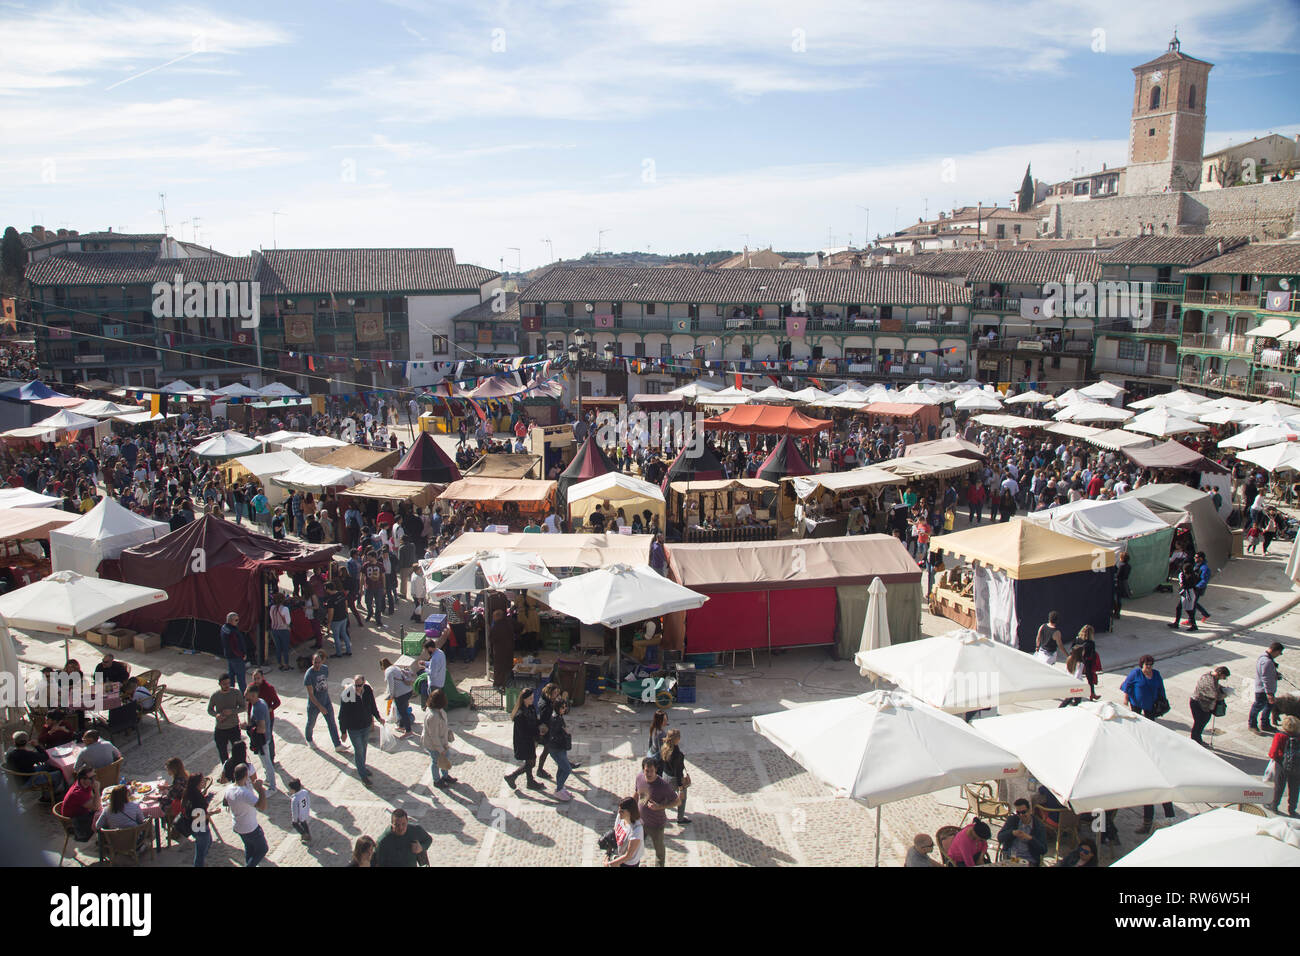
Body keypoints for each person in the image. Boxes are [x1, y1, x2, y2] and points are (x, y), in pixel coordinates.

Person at [1121, 655, 1175, 833]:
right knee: (1156, 794)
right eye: (1147, 665)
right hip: (1138, 705)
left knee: (1156, 794)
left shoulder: (1156, 675)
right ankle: (1156, 821)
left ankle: (1165, 819)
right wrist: (1126, 699)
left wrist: (1163, 701)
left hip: (1150, 707)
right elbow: (1127, 686)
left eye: (1151, 665)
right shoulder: (1136, 674)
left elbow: (1161, 689)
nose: (1149, 667)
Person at [338, 673, 383, 787]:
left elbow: (372, 705)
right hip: (354, 728)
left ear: (364, 683)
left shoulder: (367, 690)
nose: (358, 687)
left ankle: (362, 767)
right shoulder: (347, 694)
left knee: (363, 749)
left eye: (360, 685)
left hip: (366, 725)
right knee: (359, 750)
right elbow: (342, 715)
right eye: (356, 685)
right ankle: (363, 776)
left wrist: (378, 717)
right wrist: (343, 732)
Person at [635, 756, 681, 867]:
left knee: (659, 852)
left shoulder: (663, 786)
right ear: (643, 769)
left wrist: (659, 807)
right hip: (641, 822)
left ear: (656, 770)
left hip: (656, 825)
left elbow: (677, 801)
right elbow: (637, 794)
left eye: (651, 771)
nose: (649, 773)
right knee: (635, 848)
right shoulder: (639, 778)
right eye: (647, 771)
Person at [223, 763, 269, 867]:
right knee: (263, 849)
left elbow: (225, 802)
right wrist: (260, 790)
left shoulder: (229, 788)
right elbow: (262, 806)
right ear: (246, 775)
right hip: (250, 827)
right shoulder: (244, 793)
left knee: (249, 848)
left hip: (238, 825)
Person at [304, 652, 348, 753]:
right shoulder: (308, 675)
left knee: (332, 722)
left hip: (326, 700)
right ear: (312, 662)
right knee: (311, 723)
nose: (317, 665)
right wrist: (320, 707)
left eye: (319, 662)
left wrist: (325, 704)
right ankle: (309, 739)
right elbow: (311, 694)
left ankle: (337, 745)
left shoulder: (325, 669)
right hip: (314, 704)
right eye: (315, 662)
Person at [4, 731, 65, 801]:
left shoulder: (9, 752)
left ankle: (47, 790)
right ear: (26, 742)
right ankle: (49, 796)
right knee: (59, 773)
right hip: (27, 780)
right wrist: (37, 746)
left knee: (48, 766)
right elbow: (45, 757)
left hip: (16, 779)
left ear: (14, 742)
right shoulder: (28, 755)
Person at [505, 687, 542, 790]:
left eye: (532, 698)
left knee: (529, 762)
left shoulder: (531, 708)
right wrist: (534, 738)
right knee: (531, 763)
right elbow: (523, 732)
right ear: (524, 699)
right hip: (524, 742)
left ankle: (530, 782)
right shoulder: (520, 715)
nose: (532, 700)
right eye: (530, 698)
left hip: (530, 739)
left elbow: (535, 721)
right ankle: (512, 776)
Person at [95, 784, 149, 853]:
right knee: (147, 827)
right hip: (134, 839)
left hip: (115, 841)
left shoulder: (107, 810)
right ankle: (140, 848)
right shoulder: (134, 806)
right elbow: (141, 821)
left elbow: (98, 826)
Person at [178, 772, 216, 867]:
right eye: (202, 781)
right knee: (200, 852)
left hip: (195, 826)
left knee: (208, 842)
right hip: (199, 827)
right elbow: (198, 817)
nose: (204, 782)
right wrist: (213, 812)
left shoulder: (188, 793)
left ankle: (201, 862)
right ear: (197, 784)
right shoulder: (197, 798)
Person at [422, 688, 457, 792]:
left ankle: (445, 776)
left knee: (445, 758)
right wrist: (440, 749)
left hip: (442, 742)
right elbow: (434, 736)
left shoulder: (439, 711)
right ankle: (437, 780)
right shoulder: (433, 716)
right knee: (436, 761)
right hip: (435, 745)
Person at [243, 686, 277, 792]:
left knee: (267, 763)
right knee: (264, 762)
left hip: (262, 740)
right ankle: (268, 779)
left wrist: (247, 727)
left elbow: (261, 729)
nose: (245, 695)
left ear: (253, 695)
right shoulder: (260, 702)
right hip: (262, 739)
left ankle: (272, 787)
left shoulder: (258, 708)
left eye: (247, 693)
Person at [997, 799, 1047, 865]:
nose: (1021, 815)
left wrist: (1030, 839)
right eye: (1018, 813)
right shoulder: (1013, 820)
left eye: (1023, 812)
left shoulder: (1038, 826)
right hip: (1011, 858)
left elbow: (1043, 850)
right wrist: (1012, 833)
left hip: (1028, 860)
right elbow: (1000, 837)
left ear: (1030, 811)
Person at [208, 674, 244, 763]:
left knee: (238, 751)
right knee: (223, 753)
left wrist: (232, 711)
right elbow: (210, 709)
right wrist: (217, 715)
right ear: (220, 684)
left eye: (228, 683)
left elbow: (243, 707)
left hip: (234, 727)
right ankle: (226, 771)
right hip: (221, 728)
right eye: (224, 684)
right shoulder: (215, 695)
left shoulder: (236, 693)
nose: (227, 686)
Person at [1189, 665, 1230, 746]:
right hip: (1198, 704)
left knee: (1202, 722)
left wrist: (1223, 689)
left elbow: (1216, 687)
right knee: (1199, 723)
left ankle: (1197, 739)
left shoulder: (1212, 677)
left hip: (1205, 705)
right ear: (1219, 673)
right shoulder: (1209, 681)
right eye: (1223, 676)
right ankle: (1195, 741)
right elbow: (1215, 695)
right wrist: (1226, 694)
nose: (1224, 679)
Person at [1268, 715, 1300, 817]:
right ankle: (1292, 810)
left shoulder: (1280, 736)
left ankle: (1274, 805)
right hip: (1297, 766)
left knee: (1279, 786)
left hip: (1282, 764)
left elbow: (1273, 753)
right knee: (1294, 788)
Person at [1250, 642, 1284, 735]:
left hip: (1266, 689)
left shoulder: (1264, 657)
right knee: (1257, 707)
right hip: (1263, 690)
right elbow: (1265, 678)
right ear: (1276, 651)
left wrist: (1275, 674)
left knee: (1269, 707)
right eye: (1279, 653)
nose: (1278, 655)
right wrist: (1269, 693)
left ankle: (1265, 724)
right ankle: (1252, 725)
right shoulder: (1267, 661)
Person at [659, 729, 692, 825]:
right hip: (674, 779)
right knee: (682, 798)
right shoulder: (677, 754)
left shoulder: (664, 748)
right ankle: (680, 818)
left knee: (664, 798)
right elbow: (678, 773)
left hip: (665, 776)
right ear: (676, 739)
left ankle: (660, 815)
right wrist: (681, 788)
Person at [546, 697, 575, 802]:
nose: (564, 709)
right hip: (556, 748)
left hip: (559, 748)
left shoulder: (558, 717)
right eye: (563, 707)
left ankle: (560, 788)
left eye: (565, 707)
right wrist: (565, 734)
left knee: (561, 768)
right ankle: (559, 789)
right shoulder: (556, 719)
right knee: (567, 769)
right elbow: (554, 735)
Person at [248, 669, 281, 762]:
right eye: (254, 678)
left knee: (268, 737)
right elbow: (249, 704)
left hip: (268, 718)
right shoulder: (251, 688)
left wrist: (269, 709)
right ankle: (262, 755)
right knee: (257, 736)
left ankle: (271, 758)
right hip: (256, 718)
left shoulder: (269, 688)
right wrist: (249, 719)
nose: (256, 681)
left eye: (258, 678)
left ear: (262, 678)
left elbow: (277, 702)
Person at [605, 797, 645, 867]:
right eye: (619, 810)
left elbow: (628, 855)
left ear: (630, 812)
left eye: (622, 811)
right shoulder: (620, 818)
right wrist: (607, 854)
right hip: (619, 855)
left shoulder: (637, 829)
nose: (619, 812)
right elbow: (614, 834)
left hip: (629, 863)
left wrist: (610, 864)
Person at [382, 657, 416, 736]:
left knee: (403, 713)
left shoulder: (388, 671)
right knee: (403, 709)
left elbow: (391, 685)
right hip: (408, 691)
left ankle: (408, 731)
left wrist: (391, 696)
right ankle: (401, 726)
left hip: (401, 694)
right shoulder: (395, 667)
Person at [220, 612, 249, 692]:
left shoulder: (224, 628)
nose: (238, 622)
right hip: (236, 657)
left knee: (231, 676)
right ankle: (244, 696)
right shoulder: (232, 632)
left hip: (229, 656)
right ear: (230, 621)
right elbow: (235, 646)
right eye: (236, 620)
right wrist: (242, 655)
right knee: (241, 678)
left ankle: (230, 693)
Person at [1168, 561, 1200, 632]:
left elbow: (1185, 585)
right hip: (1187, 593)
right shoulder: (1194, 575)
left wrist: (1182, 581)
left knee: (1188, 610)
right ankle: (1177, 623)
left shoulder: (1190, 577)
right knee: (1179, 608)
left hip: (1188, 593)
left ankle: (1193, 625)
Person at [323, 581, 353, 657]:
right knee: (344, 634)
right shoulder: (342, 594)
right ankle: (349, 651)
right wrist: (346, 614)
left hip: (336, 620)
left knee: (336, 637)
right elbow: (346, 604)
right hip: (344, 617)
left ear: (328, 589)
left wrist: (329, 623)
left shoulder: (330, 600)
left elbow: (330, 613)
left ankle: (338, 653)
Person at [489, 607, 515, 690]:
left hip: (499, 650)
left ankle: (498, 684)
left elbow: (492, 639)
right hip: (509, 649)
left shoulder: (496, 626)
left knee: (499, 668)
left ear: (497, 617)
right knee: (507, 667)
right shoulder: (507, 623)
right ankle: (506, 683)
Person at [268, 593, 292, 671]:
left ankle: (279, 663)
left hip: (274, 629)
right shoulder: (285, 609)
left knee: (278, 648)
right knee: (285, 648)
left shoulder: (272, 608)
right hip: (283, 630)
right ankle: (286, 664)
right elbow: (288, 622)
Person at [288, 777, 311, 843]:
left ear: (293, 789)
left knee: (295, 824)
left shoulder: (295, 799)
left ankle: (304, 835)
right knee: (304, 823)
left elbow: (294, 811)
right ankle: (308, 834)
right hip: (305, 811)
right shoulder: (304, 792)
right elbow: (308, 800)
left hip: (299, 815)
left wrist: (295, 819)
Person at [1113, 551, 1131, 618]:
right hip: (1124, 583)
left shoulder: (1121, 565)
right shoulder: (1129, 566)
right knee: (1119, 599)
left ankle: (1116, 612)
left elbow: (1118, 575)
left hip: (1119, 583)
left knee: (1115, 598)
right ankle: (1118, 612)